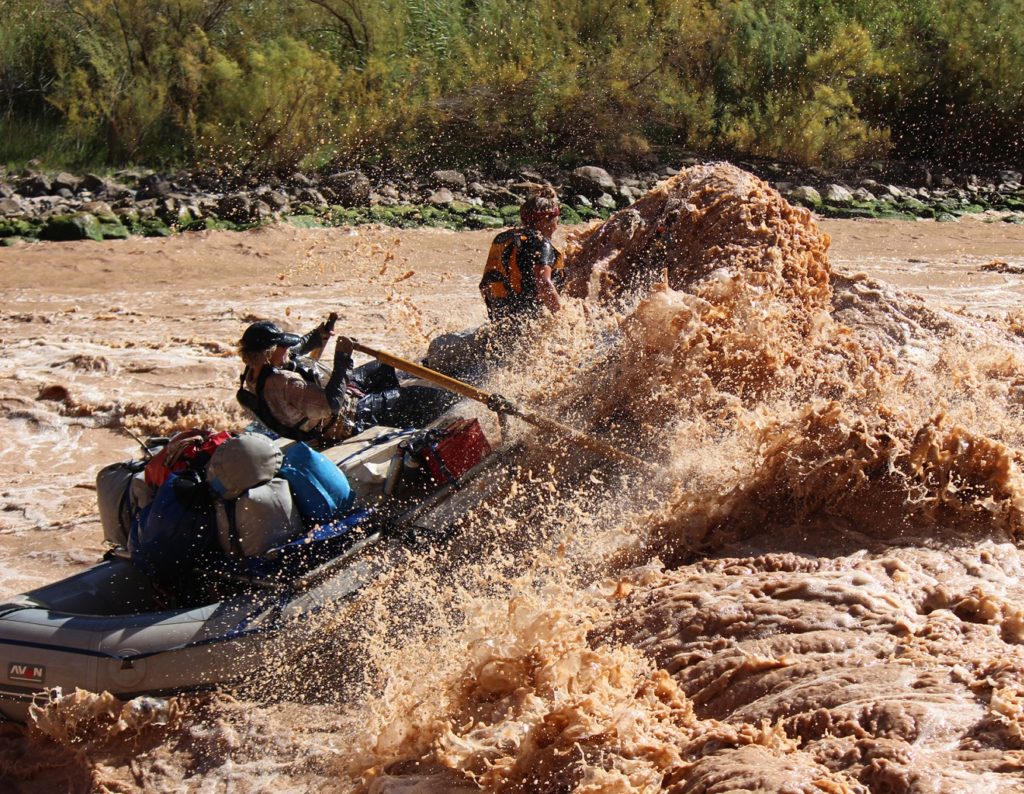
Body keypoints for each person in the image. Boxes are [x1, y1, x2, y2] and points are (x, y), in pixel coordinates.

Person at [236, 318, 455, 446]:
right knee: (417, 397)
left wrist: (318, 334)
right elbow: (332, 404)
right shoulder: (284, 382)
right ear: (269, 353)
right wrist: (342, 360)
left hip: (330, 398)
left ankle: (391, 405)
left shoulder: (254, 371)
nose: (286, 348)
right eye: (281, 346)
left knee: (381, 366)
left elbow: (295, 349)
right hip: (345, 419)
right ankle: (411, 406)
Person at [479, 186, 564, 327]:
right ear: (546, 220)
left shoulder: (503, 238)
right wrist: (562, 321)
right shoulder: (542, 245)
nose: (557, 224)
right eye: (556, 219)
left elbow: (486, 285)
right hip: (528, 321)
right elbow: (544, 284)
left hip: (501, 318)